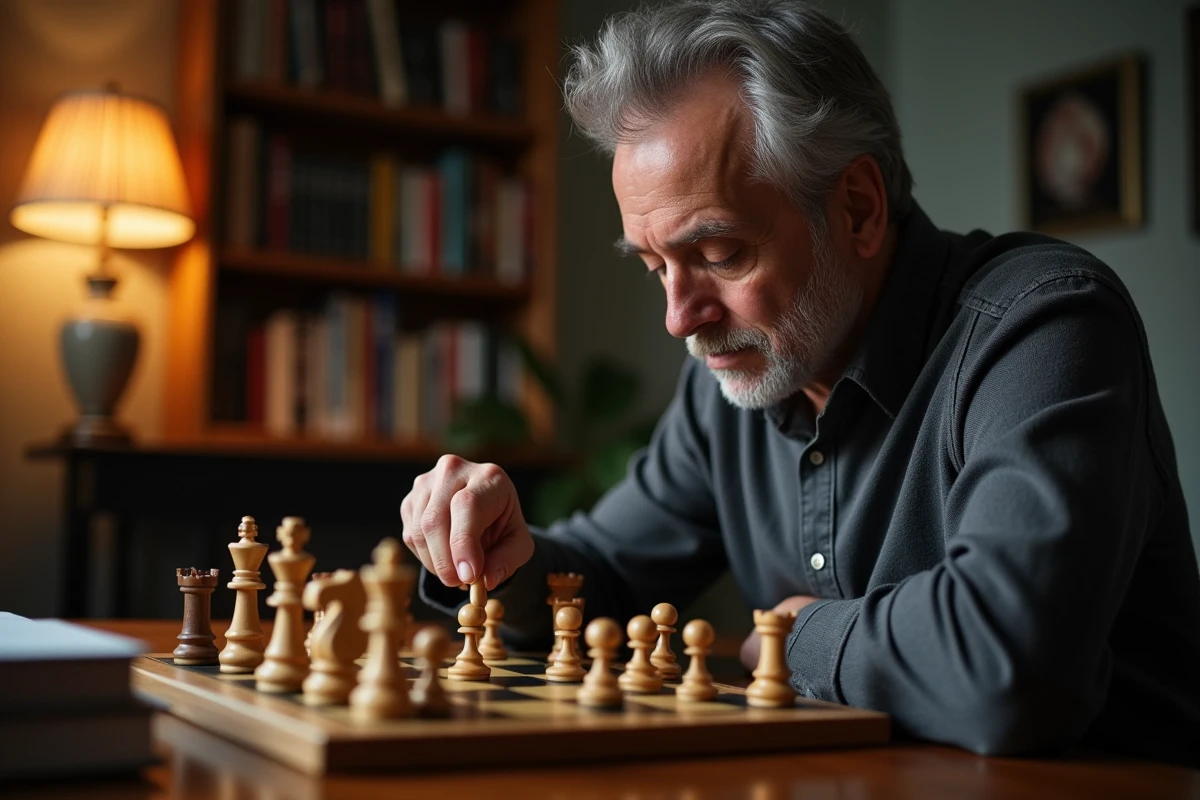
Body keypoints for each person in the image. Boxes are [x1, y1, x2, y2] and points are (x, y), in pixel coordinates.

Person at [400, 0, 1200, 766]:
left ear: (856, 207)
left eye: (718, 255)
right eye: (655, 268)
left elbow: (1010, 666)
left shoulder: (1042, 326)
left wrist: (799, 634)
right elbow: (602, 576)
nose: (680, 317)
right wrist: (505, 553)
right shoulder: (735, 381)